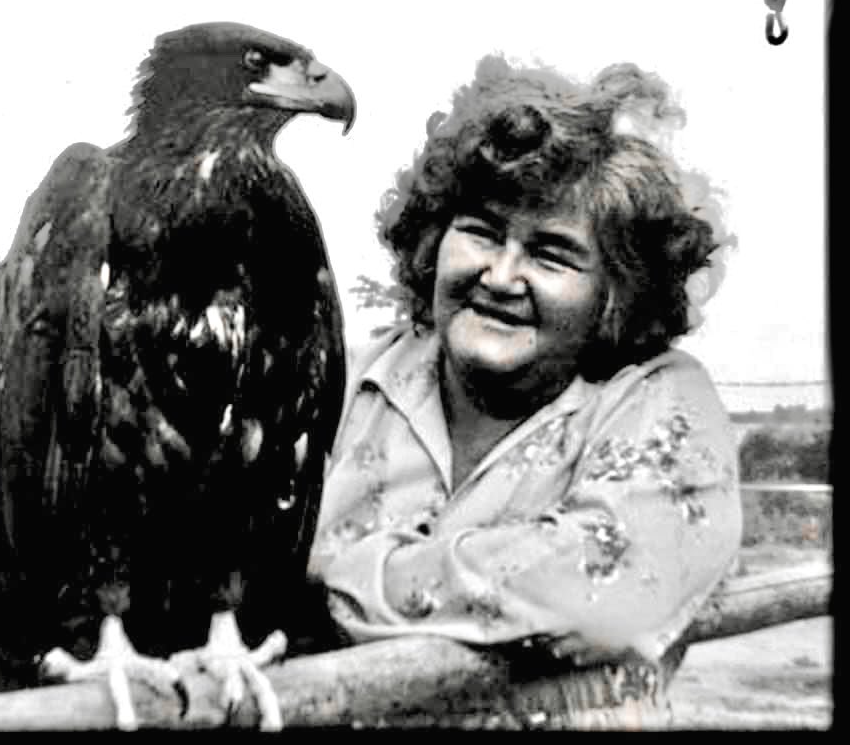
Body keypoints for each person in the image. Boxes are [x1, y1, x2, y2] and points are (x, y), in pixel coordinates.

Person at [306, 55, 742, 728]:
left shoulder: (659, 397)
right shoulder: (349, 378)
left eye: (551, 254)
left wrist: (346, 577)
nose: (501, 276)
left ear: (615, 293)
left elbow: (602, 583)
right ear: (432, 237)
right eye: (479, 231)